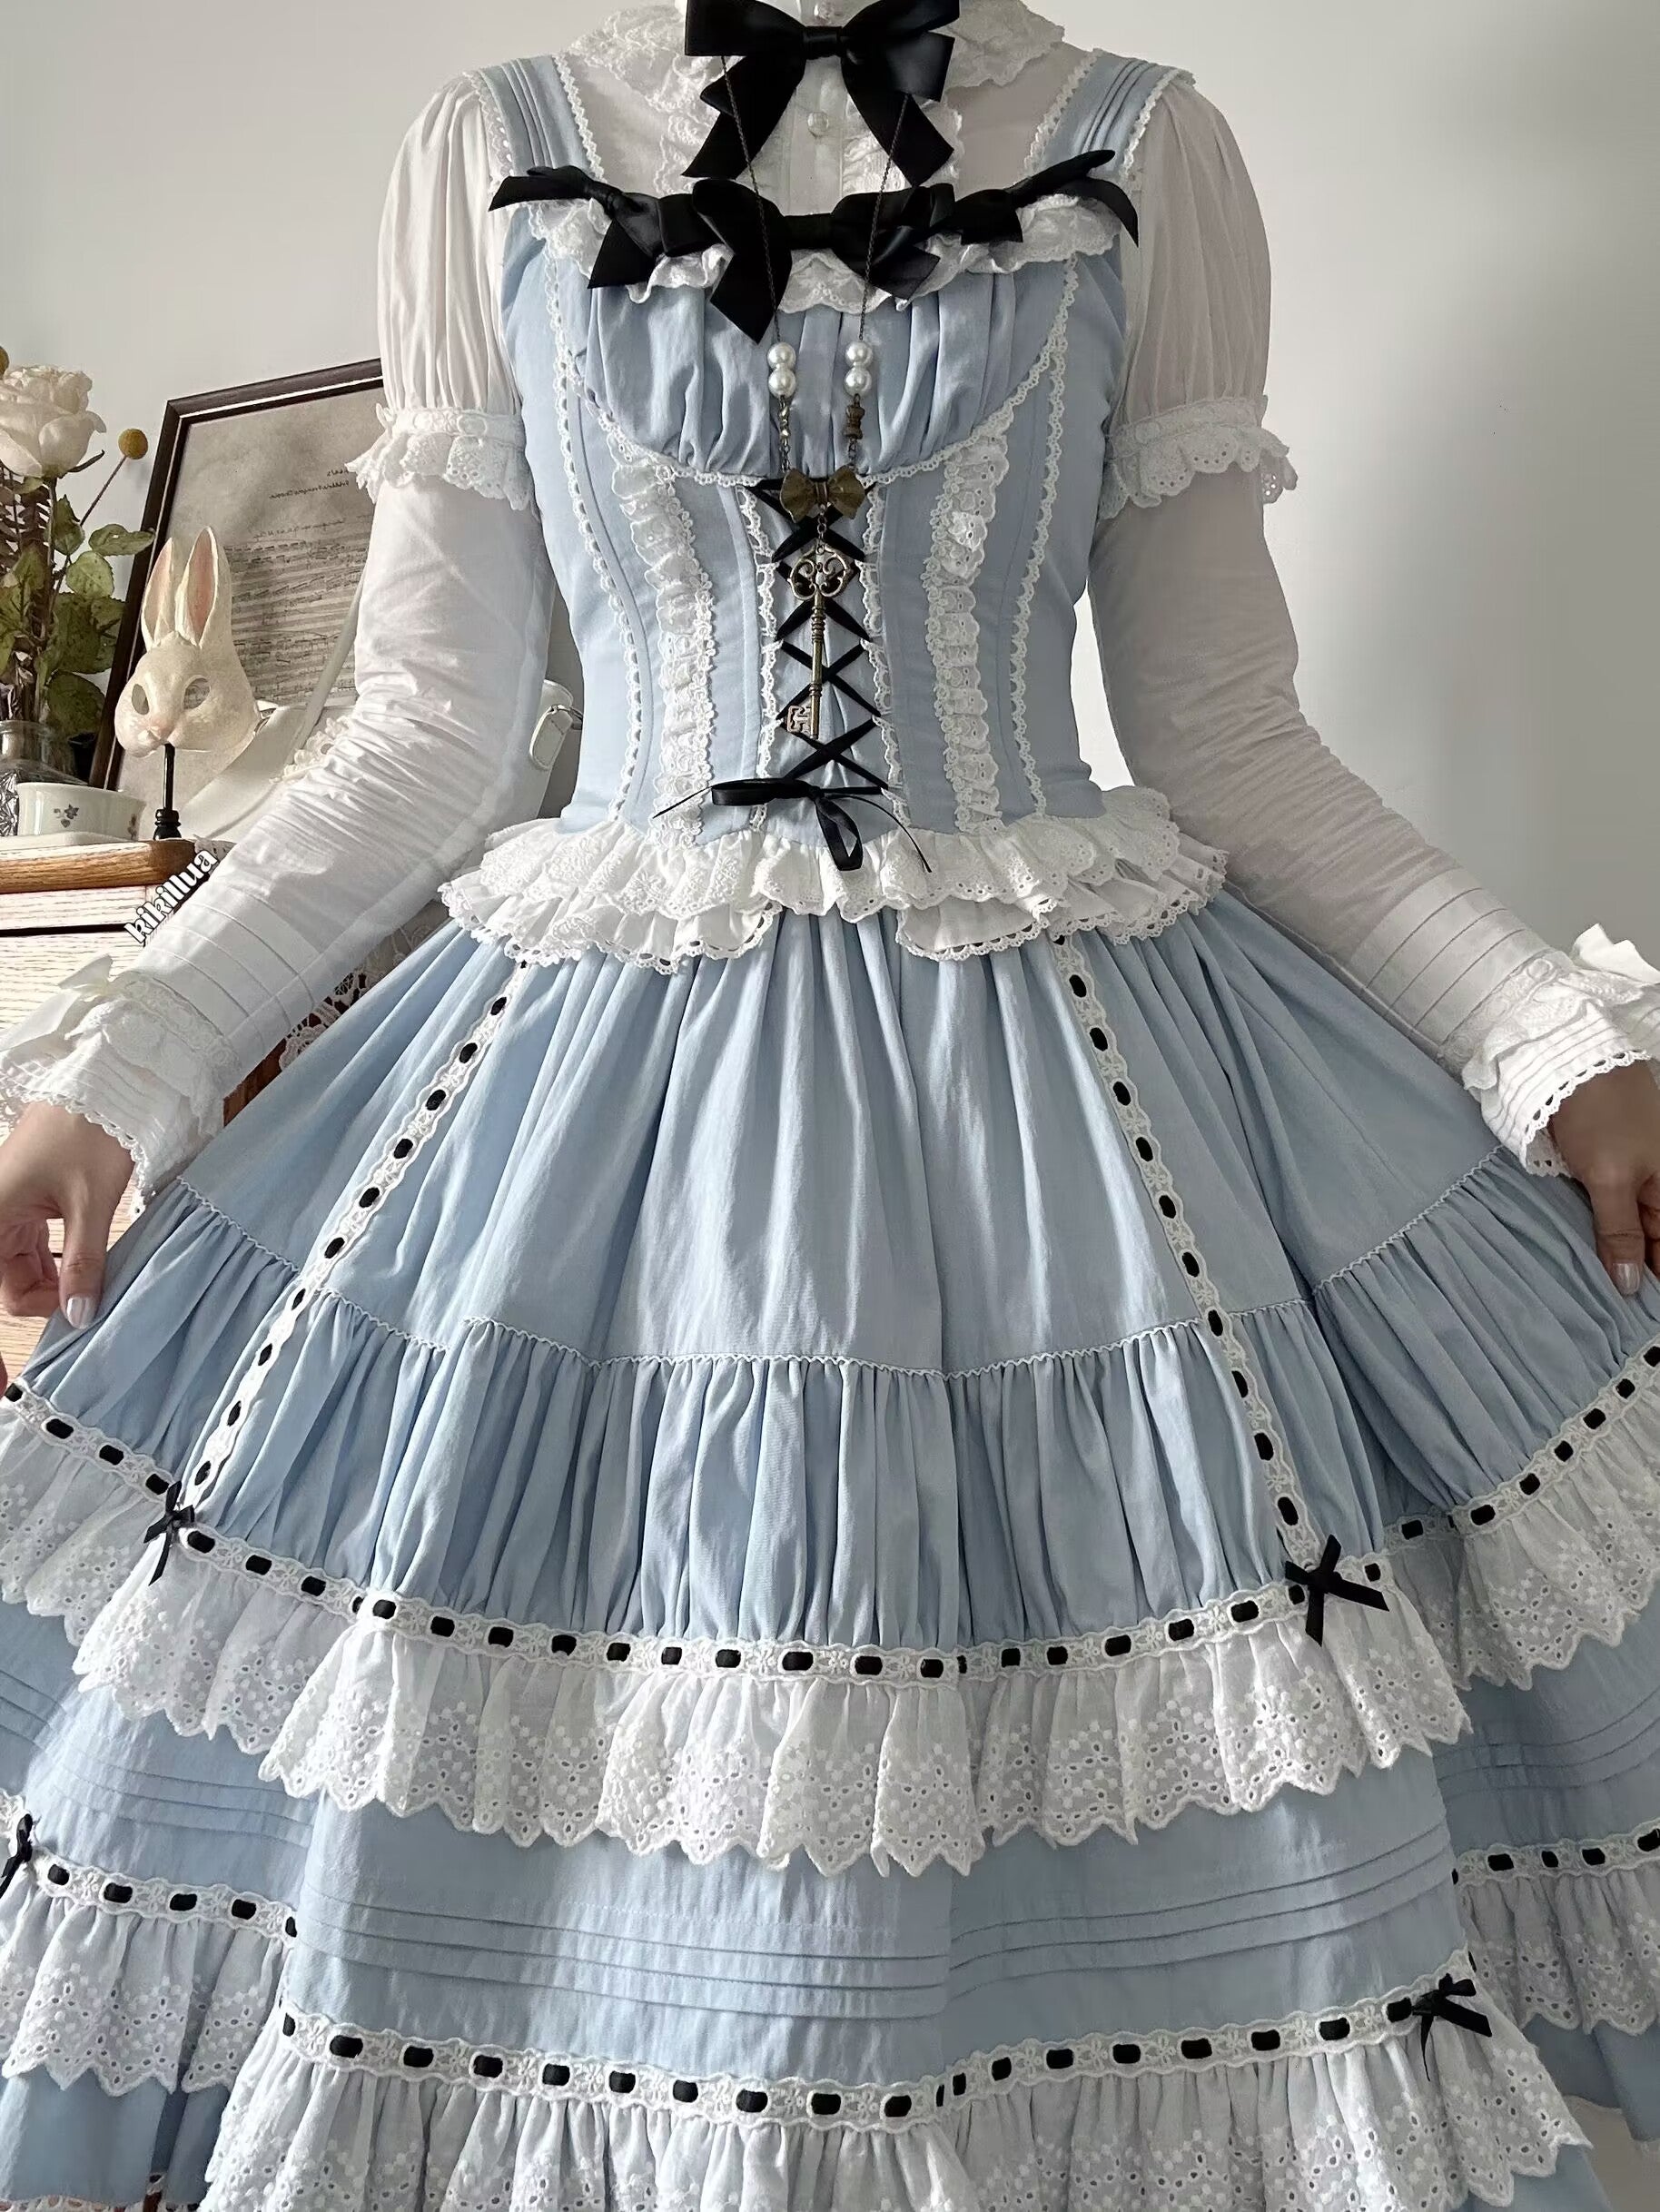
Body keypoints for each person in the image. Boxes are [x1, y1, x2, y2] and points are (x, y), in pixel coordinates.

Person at [0, 5, 1655, 2205]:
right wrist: (121, 1062)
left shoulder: (1139, 144)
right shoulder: (489, 147)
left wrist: (1554, 1038)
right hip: (597, 1099)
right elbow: (425, 739)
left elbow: (1224, 733)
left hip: (1060, 1110)